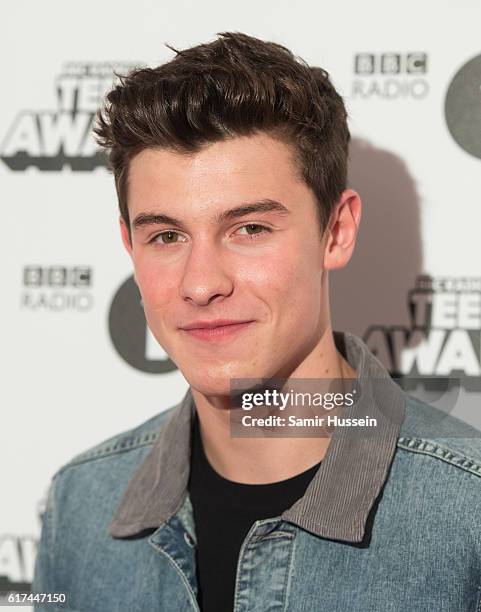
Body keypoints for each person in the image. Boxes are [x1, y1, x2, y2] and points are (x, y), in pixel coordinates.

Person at [32, 32, 481, 611]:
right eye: (166, 236)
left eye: (250, 229)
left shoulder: (466, 509)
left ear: (337, 231)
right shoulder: (82, 505)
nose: (201, 283)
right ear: (129, 245)